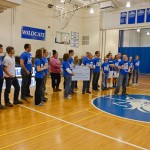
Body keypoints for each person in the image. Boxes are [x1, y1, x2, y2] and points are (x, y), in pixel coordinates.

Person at [0, 44, 6, 109]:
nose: (2, 49)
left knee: (0, 90)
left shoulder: (1, 57)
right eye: (1, 48)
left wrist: (3, 73)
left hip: (1, 76)